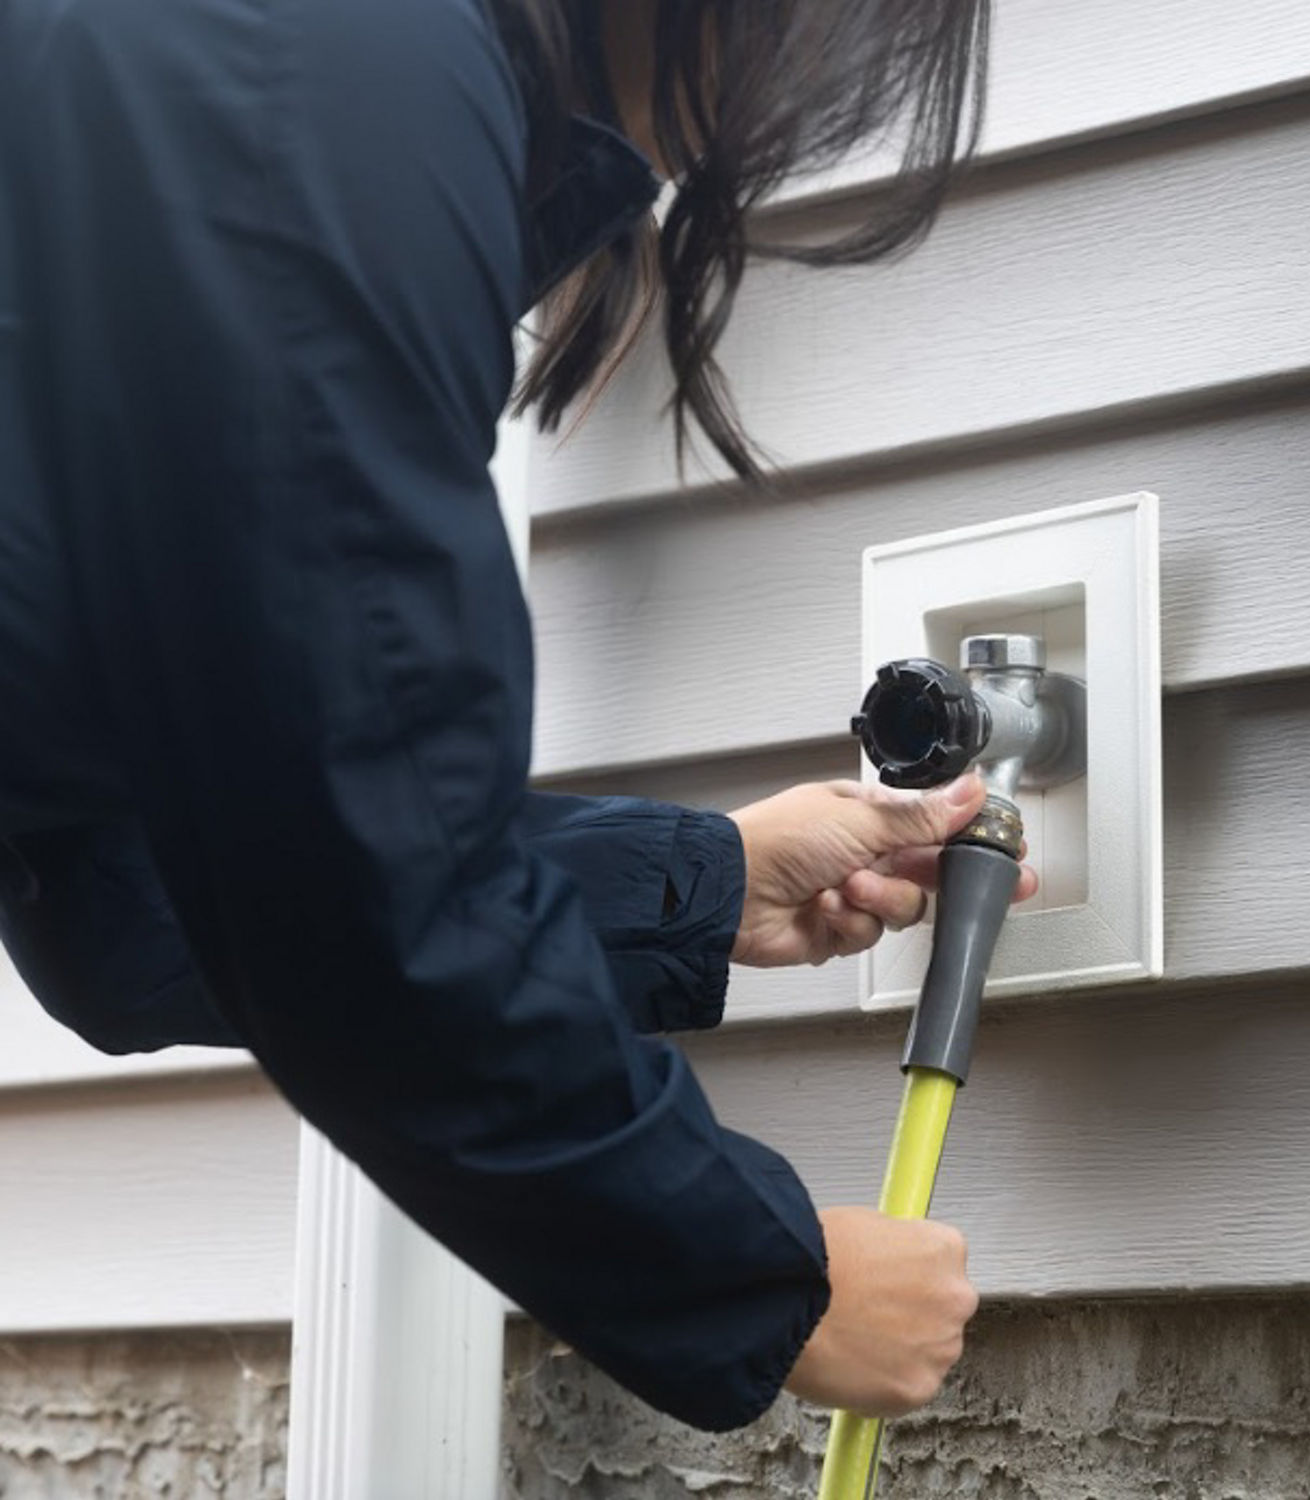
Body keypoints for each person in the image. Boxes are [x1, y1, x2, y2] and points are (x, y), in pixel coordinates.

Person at [0, 0, 1015, 1432]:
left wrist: (698, 886)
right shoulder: (332, 72)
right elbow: (359, 882)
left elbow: (137, 893)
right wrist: (768, 1274)